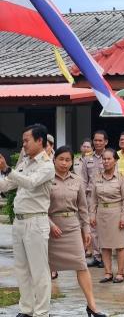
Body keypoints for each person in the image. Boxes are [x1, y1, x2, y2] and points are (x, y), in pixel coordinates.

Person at [0, 124, 55, 317]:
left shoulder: (47, 165)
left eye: (26, 141)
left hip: (36, 222)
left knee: (39, 270)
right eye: (23, 141)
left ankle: (41, 312)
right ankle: (26, 309)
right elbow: (7, 185)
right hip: (20, 222)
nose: (23, 144)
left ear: (40, 141)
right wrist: (4, 172)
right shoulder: (24, 162)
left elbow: (31, 184)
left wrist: (7, 169)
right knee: (22, 269)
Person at [48, 146, 105, 317]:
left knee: (81, 265)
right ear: (54, 160)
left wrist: (86, 229)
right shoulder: (47, 179)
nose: (64, 163)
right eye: (61, 159)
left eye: (68, 160)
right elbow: (40, 206)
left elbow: (83, 207)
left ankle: (92, 305)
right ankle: (42, 307)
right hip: (51, 228)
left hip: (72, 227)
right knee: (45, 269)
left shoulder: (77, 179)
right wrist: (50, 225)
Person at [90, 148, 124, 284]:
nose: (106, 162)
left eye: (109, 159)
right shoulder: (97, 177)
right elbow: (93, 199)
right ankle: (107, 272)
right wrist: (92, 215)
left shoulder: (121, 178)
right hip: (102, 213)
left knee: (120, 245)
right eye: (104, 159)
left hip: (117, 213)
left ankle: (120, 273)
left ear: (115, 161)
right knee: (104, 245)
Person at [82, 130, 109, 268]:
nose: (97, 143)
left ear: (106, 142)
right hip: (90, 198)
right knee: (93, 228)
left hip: (106, 198)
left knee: (105, 228)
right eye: (95, 140)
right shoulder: (87, 159)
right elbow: (83, 180)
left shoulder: (109, 157)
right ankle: (97, 256)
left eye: (100, 140)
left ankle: (106, 257)